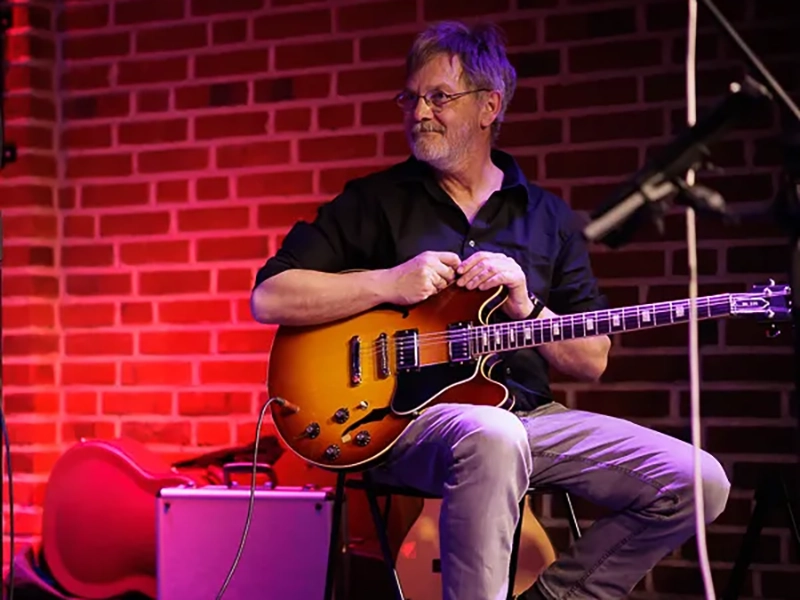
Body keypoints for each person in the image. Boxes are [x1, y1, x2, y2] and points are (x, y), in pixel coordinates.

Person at [250, 20, 730, 600]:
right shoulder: (375, 202)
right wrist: (388, 282)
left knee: (698, 481)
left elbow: (591, 361)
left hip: (530, 417)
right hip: (402, 425)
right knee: (493, 433)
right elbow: (270, 295)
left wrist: (527, 304)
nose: (419, 113)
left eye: (438, 97)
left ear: (489, 106)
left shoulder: (547, 217)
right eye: (411, 97)